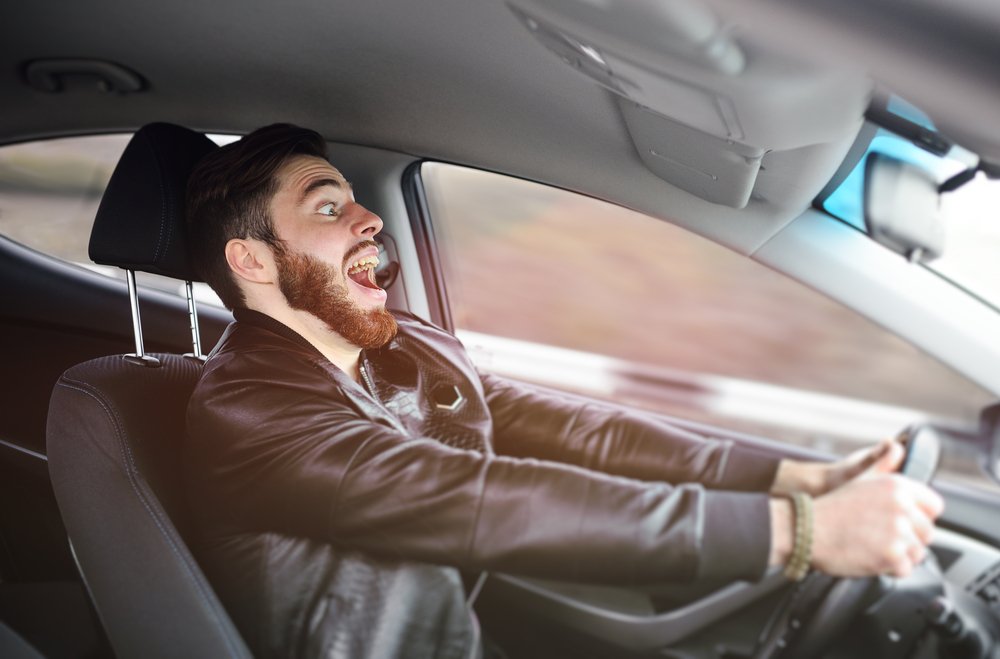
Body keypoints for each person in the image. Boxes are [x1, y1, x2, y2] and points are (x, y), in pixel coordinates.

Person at [182, 124, 944, 659]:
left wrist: (789, 477)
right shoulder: (249, 411)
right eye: (328, 206)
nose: (371, 219)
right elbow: (482, 500)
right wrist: (797, 532)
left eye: (356, 199)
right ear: (251, 260)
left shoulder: (397, 349)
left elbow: (580, 429)